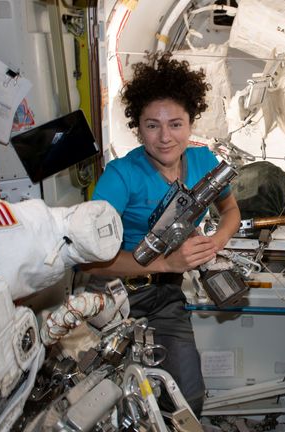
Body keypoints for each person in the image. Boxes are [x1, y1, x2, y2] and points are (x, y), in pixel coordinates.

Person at [85, 51, 241, 416]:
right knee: (117, 405)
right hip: (114, 297)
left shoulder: (204, 162)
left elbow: (231, 211)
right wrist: (168, 261)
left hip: (166, 297)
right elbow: (90, 264)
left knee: (187, 398)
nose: (165, 137)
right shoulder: (121, 176)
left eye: (176, 124)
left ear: (191, 123)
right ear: (137, 127)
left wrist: (213, 245)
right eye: (152, 125)